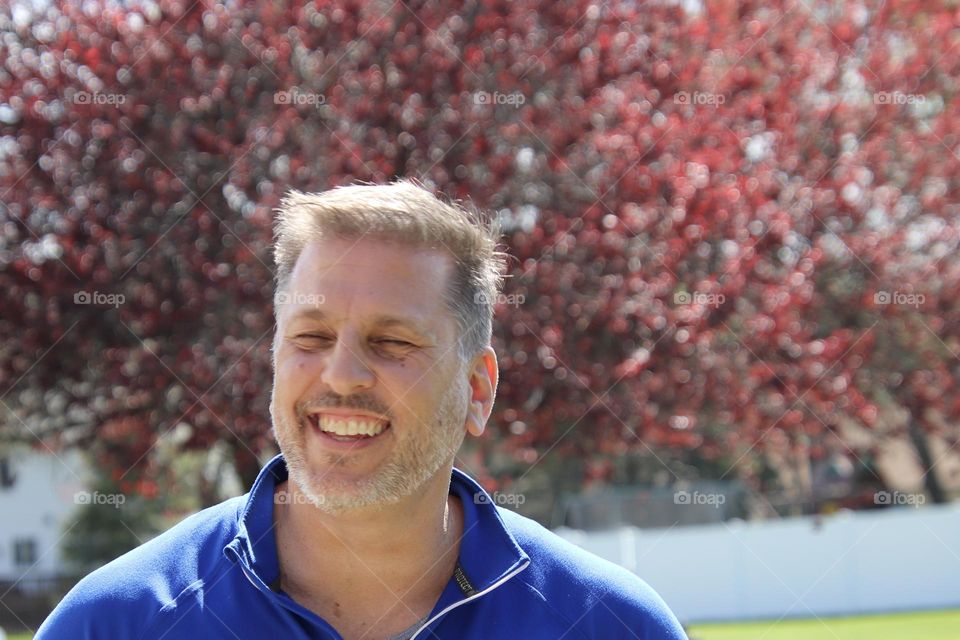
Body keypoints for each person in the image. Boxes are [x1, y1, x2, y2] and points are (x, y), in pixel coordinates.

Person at [37, 181, 686, 639]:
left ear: (479, 390)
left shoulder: (610, 625)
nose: (340, 374)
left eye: (393, 342)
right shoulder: (114, 623)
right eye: (311, 338)